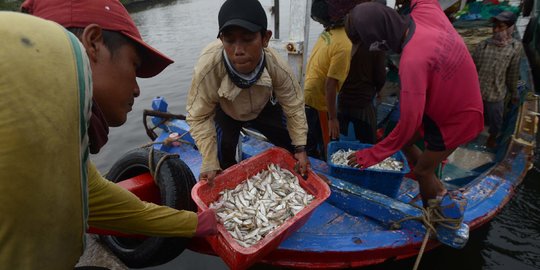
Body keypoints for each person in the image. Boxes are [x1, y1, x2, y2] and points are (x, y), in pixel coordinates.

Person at [0, 1, 217, 269]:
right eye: (134, 66)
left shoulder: (64, 153)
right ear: (92, 44)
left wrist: (196, 223)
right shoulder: (34, 62)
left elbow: (121, 208)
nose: (137, 90)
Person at [345, 1, 484, 249]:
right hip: (455, 95)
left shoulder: (412, 61)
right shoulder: (425, 11)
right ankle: (437, 190)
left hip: (456, 118)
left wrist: (371, 155)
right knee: (407, 145)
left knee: (422, 171)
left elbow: (409, 123)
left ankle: (441, 219)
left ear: (379, 38)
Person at [186, 0, 309, 183]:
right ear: (221, 40)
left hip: (263, 107)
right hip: (227, 112)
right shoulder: (208, 67)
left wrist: (300, 148)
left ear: (265, 38)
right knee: (222, 163)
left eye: (248, 39)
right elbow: (199, 116)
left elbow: (293, 103)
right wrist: (209, 161)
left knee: (294, 146)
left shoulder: (275, 64)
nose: (238, 50)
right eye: (229, 40)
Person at [472, 11, 522, 148]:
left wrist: (514, 93)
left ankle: (492, 138)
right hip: (478, 91)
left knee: (496, 120)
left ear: (510, 28)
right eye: (495, 26)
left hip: (496, 93)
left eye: (501, 27)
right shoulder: (483, 45)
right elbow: (472, 68)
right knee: (473, 116)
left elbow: (512, 73)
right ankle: (470, 134)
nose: (496, 30)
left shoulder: (515, 48)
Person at [338, 39, 387, 144]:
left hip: (343, 100)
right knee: (367, 143)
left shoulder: (343, 40)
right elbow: (380, 77)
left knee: (343, 143)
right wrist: (379, 90)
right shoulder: (377, 45)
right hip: (363, 103)